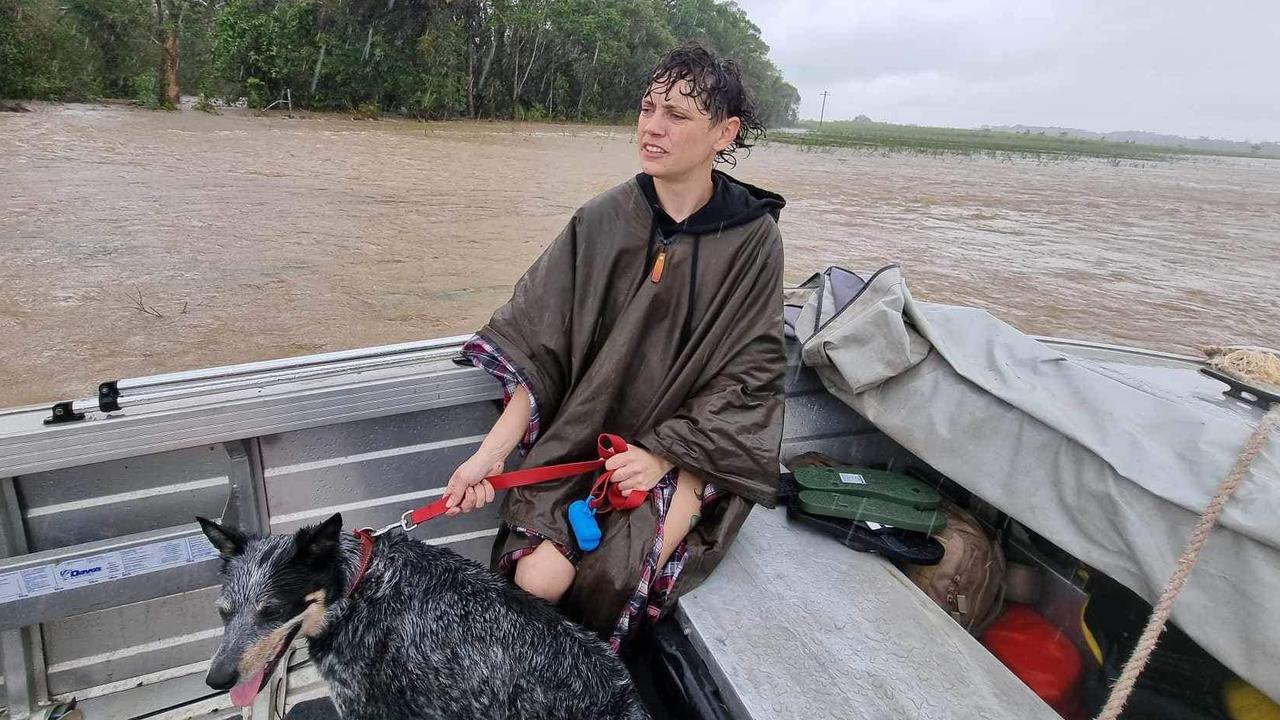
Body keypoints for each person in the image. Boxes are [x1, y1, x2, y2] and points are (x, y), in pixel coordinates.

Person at [444, 40, 786, 649]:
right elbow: (543, 349)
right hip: (588, 436)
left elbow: (749, 377)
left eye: (677, 116)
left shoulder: (754, 241)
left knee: (617, 573)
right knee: (537, 577)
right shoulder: (603, 220)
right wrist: (490, 457)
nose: (652, 129)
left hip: (689, 451)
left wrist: (660, 454)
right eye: (646, 108)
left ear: (724, 133)